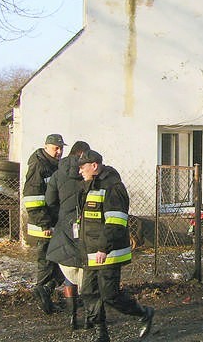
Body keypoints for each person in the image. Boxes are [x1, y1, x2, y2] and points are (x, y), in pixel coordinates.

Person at [77, 149, 154, 342]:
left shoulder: (113, 186)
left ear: (94, 166)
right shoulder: (90, 185)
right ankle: (101, 332)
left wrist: (103, 247)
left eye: (82, 167)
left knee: (110, 295)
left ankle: (143, 313)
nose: (80, 171)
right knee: (88, 291)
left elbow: (115, 221)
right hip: (91, 251)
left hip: (108, 252)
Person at [46, 140, 90, 329]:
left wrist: (61, 217)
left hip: (65, 226)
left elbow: (49, 201)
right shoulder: (88, 175)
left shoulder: (57, 174)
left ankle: (72, 318)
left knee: (68, 271)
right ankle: (90, 317)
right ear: (82, 155)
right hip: (87, 225)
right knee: (88, 272)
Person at [22, 133, 67, 314]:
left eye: (61, 148)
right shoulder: (39, 165)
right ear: (46, 147)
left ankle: (45, 295)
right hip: (44, 226)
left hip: (53, 223)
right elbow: (32, 198)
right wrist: (44, 224)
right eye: (56, 148)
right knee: (47, 264)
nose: (59, 151)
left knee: (55, 262)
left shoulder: (54, 165)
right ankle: (43, 297)